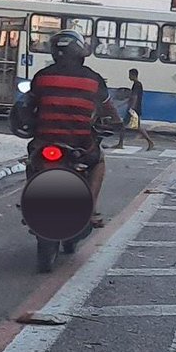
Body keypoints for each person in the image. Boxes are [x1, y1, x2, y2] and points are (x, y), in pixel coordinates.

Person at [26, 29, 119, 227]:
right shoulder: (93, 80)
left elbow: (28, 106)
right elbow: (108, 108)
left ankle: (29, 203)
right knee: (99, 161)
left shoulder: (41, 76)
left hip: (45, 141)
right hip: (80, 143)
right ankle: (91, 209)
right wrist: (117, 122)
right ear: (79, 53)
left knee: (32, 161)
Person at [120, 68, 155, 151]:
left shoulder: (137, 85)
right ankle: (120, 143)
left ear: (133, 75)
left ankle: (150, 142)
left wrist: (131, 108)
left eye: (129, 75)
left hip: (133, 109)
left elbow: (135, 97)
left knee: (137, 127)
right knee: (123, 126)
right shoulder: (136, 84)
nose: (129, 77)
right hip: (134, 108)